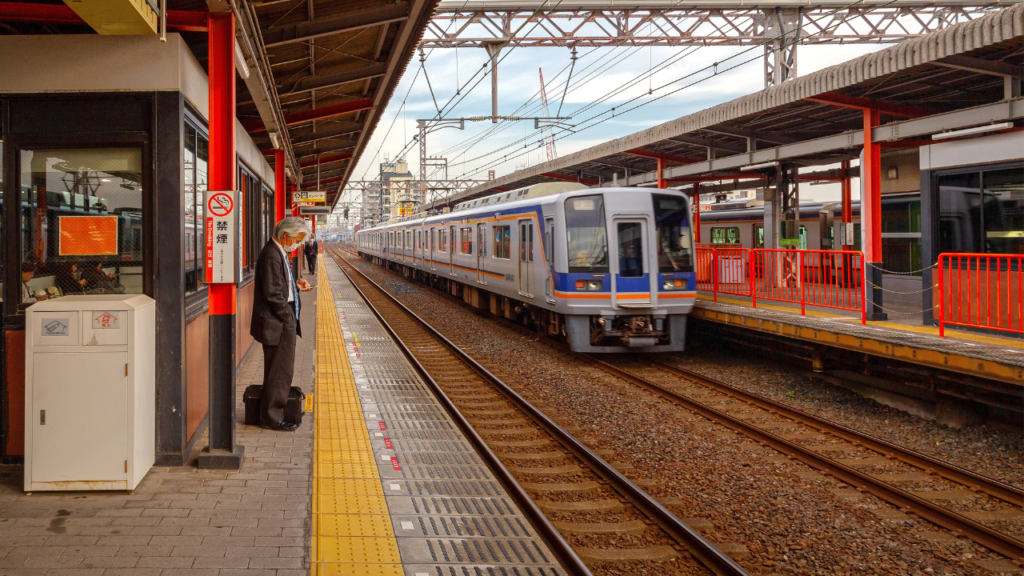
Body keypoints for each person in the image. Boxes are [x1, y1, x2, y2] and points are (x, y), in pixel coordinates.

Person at [251, 217, 312, 432]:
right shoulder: (271, 254)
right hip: (278, 323)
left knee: (281, 370)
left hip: (280, 321)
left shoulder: (277, 252)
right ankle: (271, 417)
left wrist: (295, 285)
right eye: (297, 239)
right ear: (286, 235)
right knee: (279, 371)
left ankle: (274, 410)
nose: (297, 244)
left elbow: (278, 285)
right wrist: (288, 318)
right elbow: (272, 294)